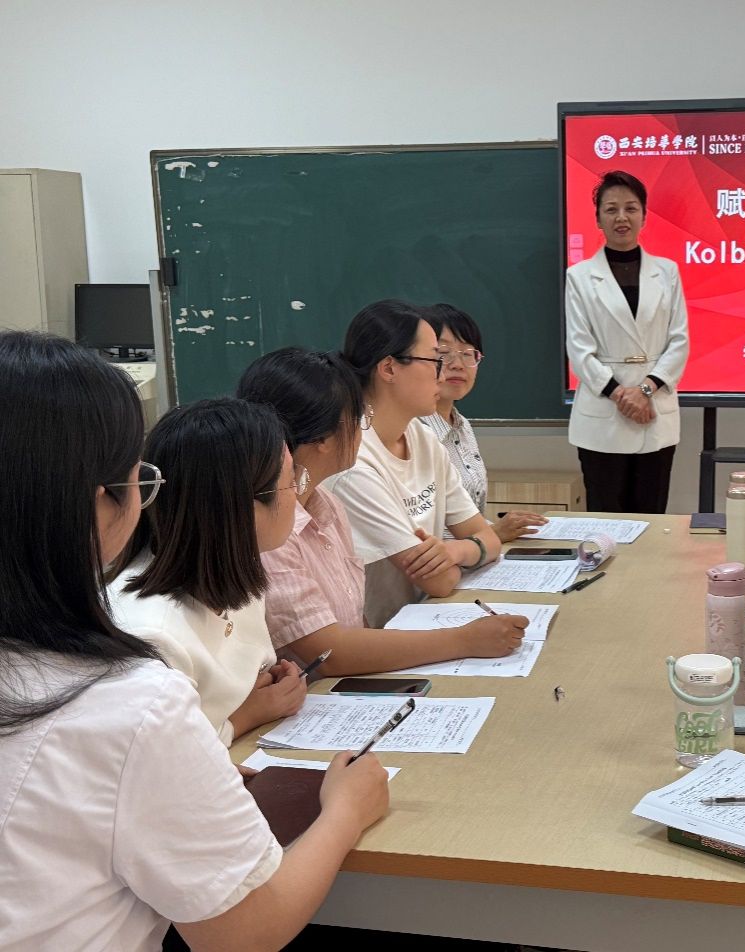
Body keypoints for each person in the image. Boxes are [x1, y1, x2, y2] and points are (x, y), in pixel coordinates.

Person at [0, 331, 387, 950]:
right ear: (104, 503)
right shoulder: (130, 692)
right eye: (138, 474)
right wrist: (346, 810)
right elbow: (246, 933)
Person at [237, 347, 527, 675]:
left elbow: (353, 621)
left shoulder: (325, 503)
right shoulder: (270, 529)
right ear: (322, 438)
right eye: (357, 417)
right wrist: (465, 640)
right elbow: (331, 654)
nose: (363, 429)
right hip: (309, 695)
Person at [109, 398, 308, 744]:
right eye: (292, 481)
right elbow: (163, 758)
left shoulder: (232, 567)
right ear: (244, 508)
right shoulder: (150, 633)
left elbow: (251, 676)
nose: (298, 493)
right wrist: (246, 717)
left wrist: (277, 686)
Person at [331, 299, 502, 627]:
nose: (444, 372)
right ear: (389, 368)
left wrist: (454, 552)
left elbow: (487, 536)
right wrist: (469, 551)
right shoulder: (352, 459)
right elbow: (438, 581)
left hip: (426, 616)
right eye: (436, 359)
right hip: (381, 635)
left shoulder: (421, 437)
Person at [565, 169, 689, 514]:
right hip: (603, 411)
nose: (622, 217)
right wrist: (622, 395)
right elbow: (579, 349)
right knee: (606, 519)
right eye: (611, 209)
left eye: (631, 208)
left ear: (644, 216)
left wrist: (645, 390)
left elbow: (679, 341)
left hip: (655, 409)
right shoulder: (579, 277)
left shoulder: (667, 272)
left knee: (652, 517)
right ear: (598, 219)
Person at [419, 302, 548, 542]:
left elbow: (469, 517)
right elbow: (421, 531)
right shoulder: (413, 432)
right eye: (443, 353)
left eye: (468, 354)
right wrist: (493, 533)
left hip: (478, 555)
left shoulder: (463, 426)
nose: (458, 364)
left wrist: (502, 529)